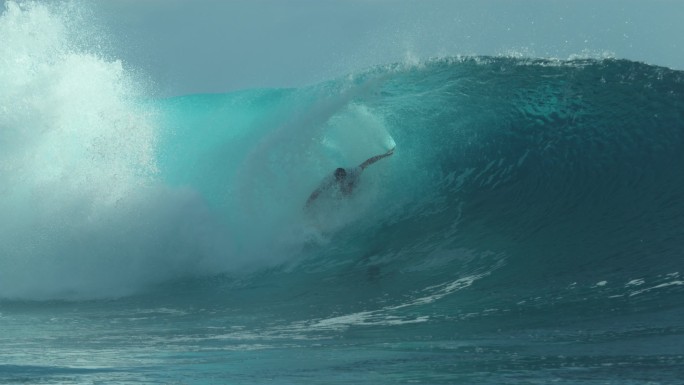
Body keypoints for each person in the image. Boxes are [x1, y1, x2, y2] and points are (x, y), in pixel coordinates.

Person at [305, 147, 395, 207]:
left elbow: (368, 161)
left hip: (353, 181)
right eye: (339, 178)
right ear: (336, 178)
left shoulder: (353, 172)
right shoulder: (329, 180)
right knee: (332, 194)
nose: (341, 179)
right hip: (340, 183)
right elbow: (316, 192)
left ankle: (350, 198)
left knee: (348, 192)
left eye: (342, 177)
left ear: (345, 175)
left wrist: (385, 155)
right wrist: (307, 204)